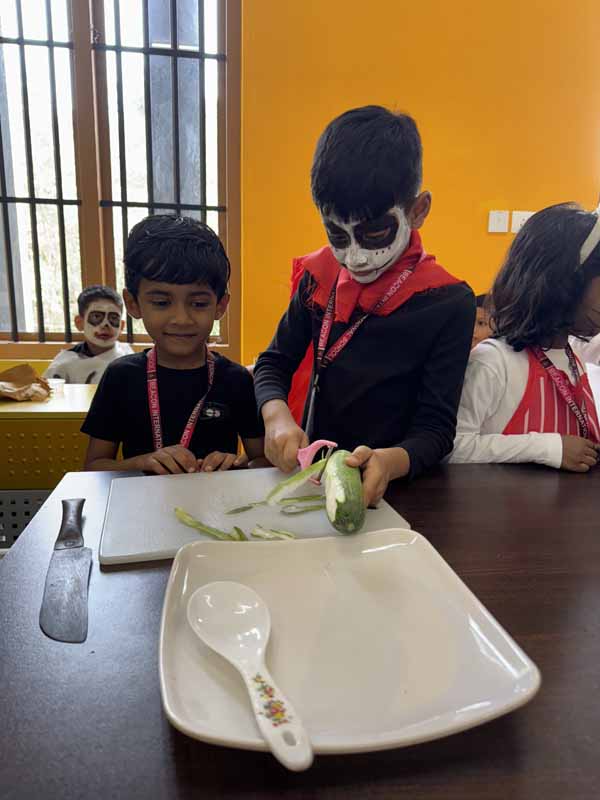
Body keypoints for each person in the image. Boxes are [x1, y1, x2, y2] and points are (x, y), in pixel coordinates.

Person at [253, 106, 475, 506]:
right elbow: (273, 362)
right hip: (316, 481)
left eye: (374, 234)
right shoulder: (318, 278)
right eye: (337, 234)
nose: (354, 258)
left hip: (396, 492)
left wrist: (390, 462)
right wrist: (276, 417)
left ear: (418, 210)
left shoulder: (447, 301)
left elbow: (436, 430)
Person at [82, 215, 265, 475]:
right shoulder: (120, 377)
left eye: (199, 304)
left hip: (218, 501)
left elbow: (263, 460)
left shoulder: (236, 379)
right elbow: (94, 467)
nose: (181, 319)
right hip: (141, 501)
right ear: (133, 304)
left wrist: (236, 464)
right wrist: (142, 462)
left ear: (220, 306)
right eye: (161, 302)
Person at [450, 203, 600, 472]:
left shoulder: (573, 358)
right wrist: (546, 448)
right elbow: (452, 447)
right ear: (564, 280)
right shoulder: (493, 362)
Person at [43, 286, 132, 383]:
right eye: (96, 317)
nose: (105, 324)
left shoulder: (128, 358)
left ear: (122, 326)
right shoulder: (64, 363)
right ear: (79, 323)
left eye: (113, 318)